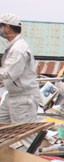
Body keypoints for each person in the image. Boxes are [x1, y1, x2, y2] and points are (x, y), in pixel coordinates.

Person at [0, 14, 42, 146]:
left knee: (26, 137)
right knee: (3, 128)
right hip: (12, 96)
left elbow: (9, 74)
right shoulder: (13, 46)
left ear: (7, 27)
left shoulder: (18, 49)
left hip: (23, 98)